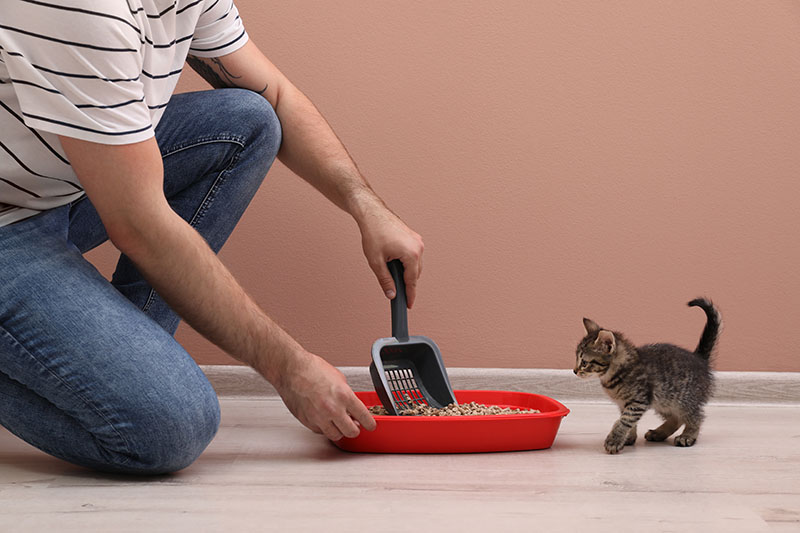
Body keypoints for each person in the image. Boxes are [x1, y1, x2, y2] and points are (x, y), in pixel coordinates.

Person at [0, 0, 424, 474]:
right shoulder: (83, 9)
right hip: (8, 224)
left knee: (251, 119)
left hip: (55, 191)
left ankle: (120, 361)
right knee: (171, 428)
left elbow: (276, 97)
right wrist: (290, 368)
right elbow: (141, 226)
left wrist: (366, 207)